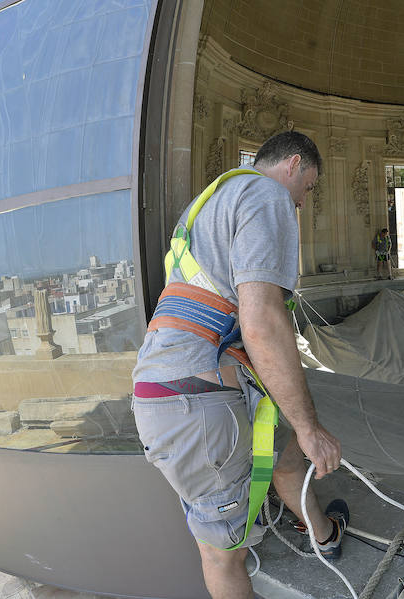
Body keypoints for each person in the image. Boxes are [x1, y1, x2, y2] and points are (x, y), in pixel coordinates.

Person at [131, 132, 345, 599]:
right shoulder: (268, 196)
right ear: (293, 165)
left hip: (176, 388)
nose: (303, 203)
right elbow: (262, 323)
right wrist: (310, 427)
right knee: (222, 556)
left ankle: (324, 533)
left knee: (288, 453)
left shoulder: (208, 203)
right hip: (197, 402)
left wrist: (300, 431)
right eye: (308, 187)